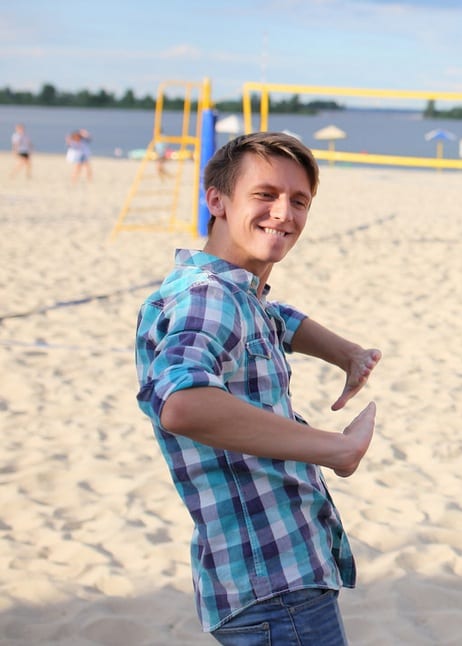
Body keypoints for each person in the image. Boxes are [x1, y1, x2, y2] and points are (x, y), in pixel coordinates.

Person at [135, 132, 382, 645]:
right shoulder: (209, 299)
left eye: (299, 201)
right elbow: (180, 404)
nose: (283, 213)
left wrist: (346, 353)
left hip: (266, 575)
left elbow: (273, 316)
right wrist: (337, 448)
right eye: (264, 195)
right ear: (217, 201)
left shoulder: (230, 292)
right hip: (273, 581)